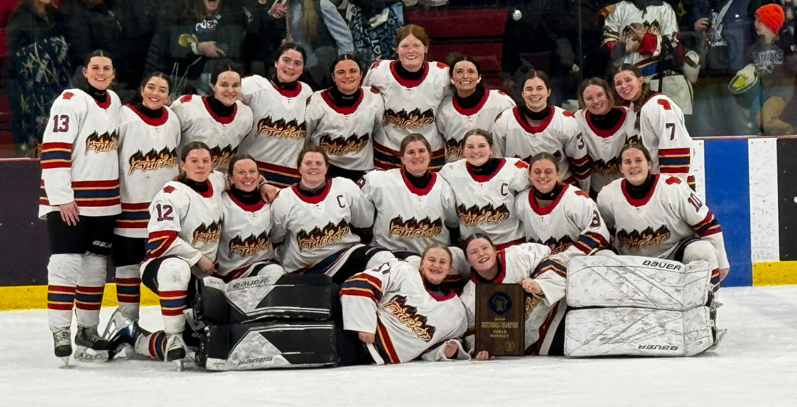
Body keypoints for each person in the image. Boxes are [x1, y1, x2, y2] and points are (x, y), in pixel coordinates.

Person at [38, 50, 121, 363]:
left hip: (104, 203)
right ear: (85, 71)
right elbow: (54, 149)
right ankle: (60, 330)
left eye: (107, 68)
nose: (101, 73)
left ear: (114, 73)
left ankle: (87, 329)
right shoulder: (70, 100)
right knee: (65, 264)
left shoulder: (114, 101)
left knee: (94, 267)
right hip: (70, 202)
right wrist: (61, 197)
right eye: (95, 68)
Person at [596, 143, 730, 291]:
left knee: (702, 250)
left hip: (674, 257)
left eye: (638, 160)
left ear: (649, 164)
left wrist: (721, 263)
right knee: (600, 256)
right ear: (621, 168)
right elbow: (601, 232)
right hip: (630, 262)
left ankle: (707, 303)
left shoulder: (674, 188)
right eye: (627, 162)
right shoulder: (608, 194)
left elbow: (708, 225)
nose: (633, 166)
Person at [137, 141, 226, 363]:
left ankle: (137, 338)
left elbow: (241, 178)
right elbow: (162, 240)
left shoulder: (216, 180)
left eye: (205, 161)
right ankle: (172, 337)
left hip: (200, 276)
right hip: (164, 267)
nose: (200, 166)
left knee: (200, 343)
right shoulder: (170, 194)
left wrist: (263, 184)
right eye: (194, 161)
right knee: (176, 268)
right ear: (182, 165)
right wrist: (197, 258)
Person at [112, 72, 181, 328]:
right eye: (151, 87)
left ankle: (177, 325)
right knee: (128, 268)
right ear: (142, 89)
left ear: (169, 95)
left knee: (171, 268)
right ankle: (127, 324)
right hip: (128, 207)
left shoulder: (173, 118)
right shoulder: (124, 116)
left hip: (162, 212)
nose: (155, 93)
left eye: (162, 89)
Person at [270, 146, 392, 283]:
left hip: (343, 258)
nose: (314, 167)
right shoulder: (284, 199)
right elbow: (276, 237)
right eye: (308, 163)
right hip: (304, 269)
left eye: (319, 163)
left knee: (385, 258)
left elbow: (365, 221)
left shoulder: (345, 186)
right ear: (299, 168)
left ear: (327, 167)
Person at [339, 244, 469, 364]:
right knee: (326, 289)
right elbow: (358, 283)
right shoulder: (403, 271)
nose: (436, 265)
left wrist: (449, 350)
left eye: (442, 262)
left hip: (371, 357)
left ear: (449, 269)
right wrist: (364, 324)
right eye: (431, 260)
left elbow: (441, 344)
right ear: (422, 263)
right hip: (353, 332)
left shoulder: (456, 311)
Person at [460, 234, 568, 357]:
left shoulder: (519, 255)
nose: (481, 254)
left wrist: (540, 285)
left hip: (554, 325)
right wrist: (481, 348)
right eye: (474, 252)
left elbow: (554, 259)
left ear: (495, 249)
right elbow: (471, 333)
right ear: (467, 261)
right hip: (517, 353)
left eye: (485, 248)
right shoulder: (468, 296)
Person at [363, 24, 450, 171]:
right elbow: (365, 104)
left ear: (426, 48)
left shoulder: (442, 74)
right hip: (387, 153)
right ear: (396, 49)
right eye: (405, 46)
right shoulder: (379, 72)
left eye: (417, 45)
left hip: (430, 152)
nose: (411, 51)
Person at [492, 70, 591, 191]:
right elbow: (497, 163)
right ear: (522, 93)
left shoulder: (566, 121)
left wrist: (584, 195)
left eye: (539, 88)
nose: (534, 93)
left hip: (558, 190)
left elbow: (580, 165)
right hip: (519, 190)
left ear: (548, 92)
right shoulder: (504, 121)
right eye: (529, 89)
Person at [360, 134, 459, 255]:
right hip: (390, 256)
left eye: (422, 151)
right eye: (411, 152)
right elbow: (356, 207)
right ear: (402, 158)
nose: (417, 156)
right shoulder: (380, 180)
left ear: (429, 155)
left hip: (432, 258)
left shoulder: (444, 186)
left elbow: (452, 222)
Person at [438, 129, 529, 250]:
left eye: (481, 146)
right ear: (463, 150)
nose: (476, 151)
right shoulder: (450, 171)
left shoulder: (514, 168)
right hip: (473, 248)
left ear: (491, 149)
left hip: (510, 244)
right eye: (470, 147)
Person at [239, 43, 313, 187]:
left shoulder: (306, 92)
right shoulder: (253, 85)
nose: (290, 67)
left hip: (290, 177)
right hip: (252, 173)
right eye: (286, 60)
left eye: (297, 63)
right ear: (276, 62)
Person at [601, 0, 691, 114]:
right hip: (625, 82)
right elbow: (607, 43)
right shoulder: (620, 8)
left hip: (658, 80)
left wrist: (645, 40)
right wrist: (626, 48)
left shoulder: (665, 9)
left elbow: (674, 47)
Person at [4, 0, 71, 152]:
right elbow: (16, 59)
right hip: (26, 89)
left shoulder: (55, 14)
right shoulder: (20, 19)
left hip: (55, 85)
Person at [305, 54, 384, 181]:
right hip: (327, 170)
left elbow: (378, 133)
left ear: (361, 74)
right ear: (333, 77)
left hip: (363, 171)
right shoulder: (317, 100)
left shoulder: (374, 98)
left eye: (353, 71)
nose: (348, 76)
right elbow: (305, 139)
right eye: (341, 72)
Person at [515, 153, 610, 256]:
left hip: (575, 263)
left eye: (548, 172)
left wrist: (564, 258)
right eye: (537, 172)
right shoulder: (521, 201)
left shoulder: (576, 199)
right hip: (538, 265)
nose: (542, 176)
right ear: (530, 175)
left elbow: (599, 234)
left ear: (558, 175)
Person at [613, 64, 692, 182]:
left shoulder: (658, 105)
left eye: (628, 80)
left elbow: (675, 147)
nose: (624, 86)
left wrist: (670, 185)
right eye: (618, 83)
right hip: (649, 184)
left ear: (640, 80)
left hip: (665, 185)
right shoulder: (633, 108)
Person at [171, 60, 253, 169]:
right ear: (212, 86)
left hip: (219, 182)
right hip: (185, 181)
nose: (230, 90)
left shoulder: (245, 114)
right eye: (224, 85)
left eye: (235, 85)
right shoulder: (187, 106)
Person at [216, 154, 283, 281]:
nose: (248, 176)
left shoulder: (272, 198)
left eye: (252, 171)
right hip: (229, 274)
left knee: (276, 272)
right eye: (241, 172)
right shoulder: (221, 203)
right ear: (230, 178)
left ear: (259, 176)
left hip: (263, 268)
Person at [436, 55, 515, 162]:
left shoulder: (501, 102)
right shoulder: (444, 109)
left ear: (479, 77)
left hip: (495, 171)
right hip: (458, 173)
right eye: (459, 72)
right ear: (451, 79)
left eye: (471, 71)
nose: (465, 76)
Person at [573, 77, 634, 197]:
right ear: (583, 101)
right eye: (589, 98)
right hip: (594, 191)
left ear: (608, 94)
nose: (595, 101)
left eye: (600, 95)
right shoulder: (577, 119)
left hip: (627, 190)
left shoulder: (629, 115)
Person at [284, 0, 354, 88]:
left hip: (324, 70)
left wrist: (343, 68)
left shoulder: (323, 5)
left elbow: (344, 40)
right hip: (299, 69)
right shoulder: (287, 7)